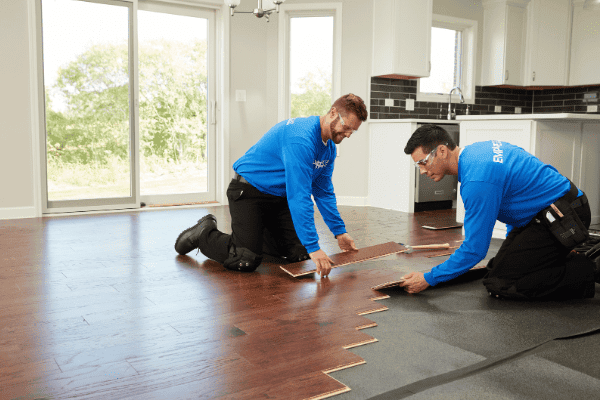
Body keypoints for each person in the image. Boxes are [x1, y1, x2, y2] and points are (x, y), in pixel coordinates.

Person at [174, 94, 368, 277]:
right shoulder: (301, 139)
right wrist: (314, 246)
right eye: (347, 127)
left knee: (300, 254)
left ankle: (259, 232)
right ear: (333, 113)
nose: (349, 134)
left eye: (353, 130)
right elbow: (299, 196)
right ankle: (203, 233)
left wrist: (339, 232)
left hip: (278, 197)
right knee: (245, 259)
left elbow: (323, 192)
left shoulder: (329, 149)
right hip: (249, 191)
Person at [400, 124, 599, 300]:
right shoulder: (477, 151)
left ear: (442, 151)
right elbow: (517, 194)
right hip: (553, 210)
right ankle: (558, 254)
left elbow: (475, 249)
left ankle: (586, 270)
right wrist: (514, 244)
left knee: (502, 284)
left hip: (564, 216)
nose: (423, 171)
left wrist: (429, 278)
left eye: (423, 162)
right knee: (495, 269)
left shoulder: (477, 180)